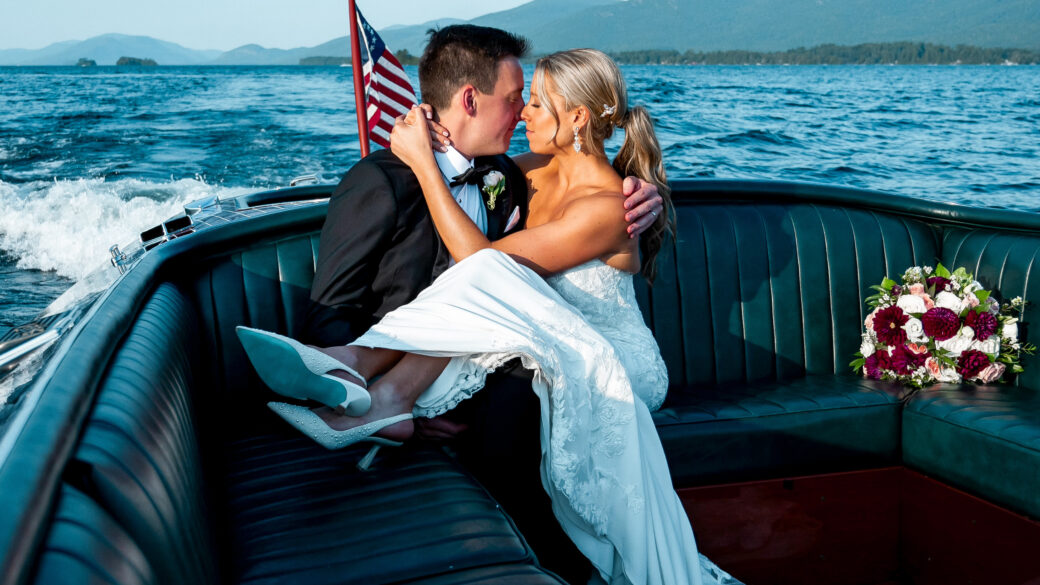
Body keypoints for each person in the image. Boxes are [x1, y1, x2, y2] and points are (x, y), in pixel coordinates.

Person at [239, 47, 738, 585]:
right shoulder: (527, 171)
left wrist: (425, 167)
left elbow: (483, 266)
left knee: (492, 289)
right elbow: (471, 165)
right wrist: (426, 133)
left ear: (577, 119)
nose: (524, 114)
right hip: (542, 339)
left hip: (612, 357)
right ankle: (385, 393)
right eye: (522, 101)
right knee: (496, 326)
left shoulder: (607, 205)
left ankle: (361, 366)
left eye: (538, 105)